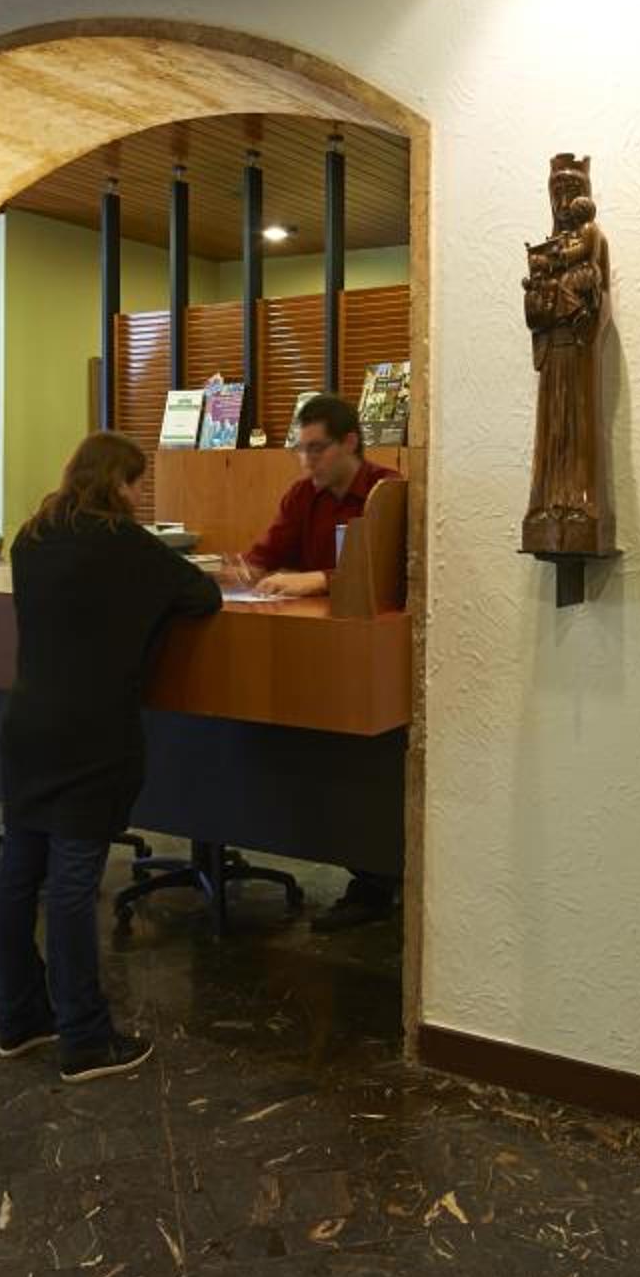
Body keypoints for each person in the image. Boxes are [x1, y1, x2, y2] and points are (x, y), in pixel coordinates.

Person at [0, 430, 219, 1083]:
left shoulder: (31, 538)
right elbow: (202, 597)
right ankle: (86, 1038)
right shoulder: (128, 546)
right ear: (119, 483)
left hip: (27, 725)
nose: (139, 496)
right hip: (92, 734)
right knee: (72, 884)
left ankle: (20, 1019)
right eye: (136, 484)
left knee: (17, 873)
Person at [223, 391, 402, 931]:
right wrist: (241, 571)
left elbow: (387, 571)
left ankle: (375, 879)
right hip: (309, 651)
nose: (307, 461)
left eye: (317, 449)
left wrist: (319, 578)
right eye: (300, 450)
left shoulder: (387, 491)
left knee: (359, 770)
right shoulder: (303, 495)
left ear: (350, 442)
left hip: (364, 656)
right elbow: (265, 556)